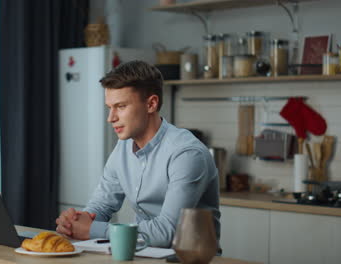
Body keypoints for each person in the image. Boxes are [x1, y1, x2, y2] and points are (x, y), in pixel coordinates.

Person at [55, 60, 220, 248]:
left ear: (151, 104)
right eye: (110, 107)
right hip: (142, 254)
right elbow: (101, 206)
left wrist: (92, 229)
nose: (111, 118)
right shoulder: (123, 147)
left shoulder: (187, 154)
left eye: (121, 106)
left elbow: (167, 232)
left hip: (190, 260)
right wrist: (76, 221)